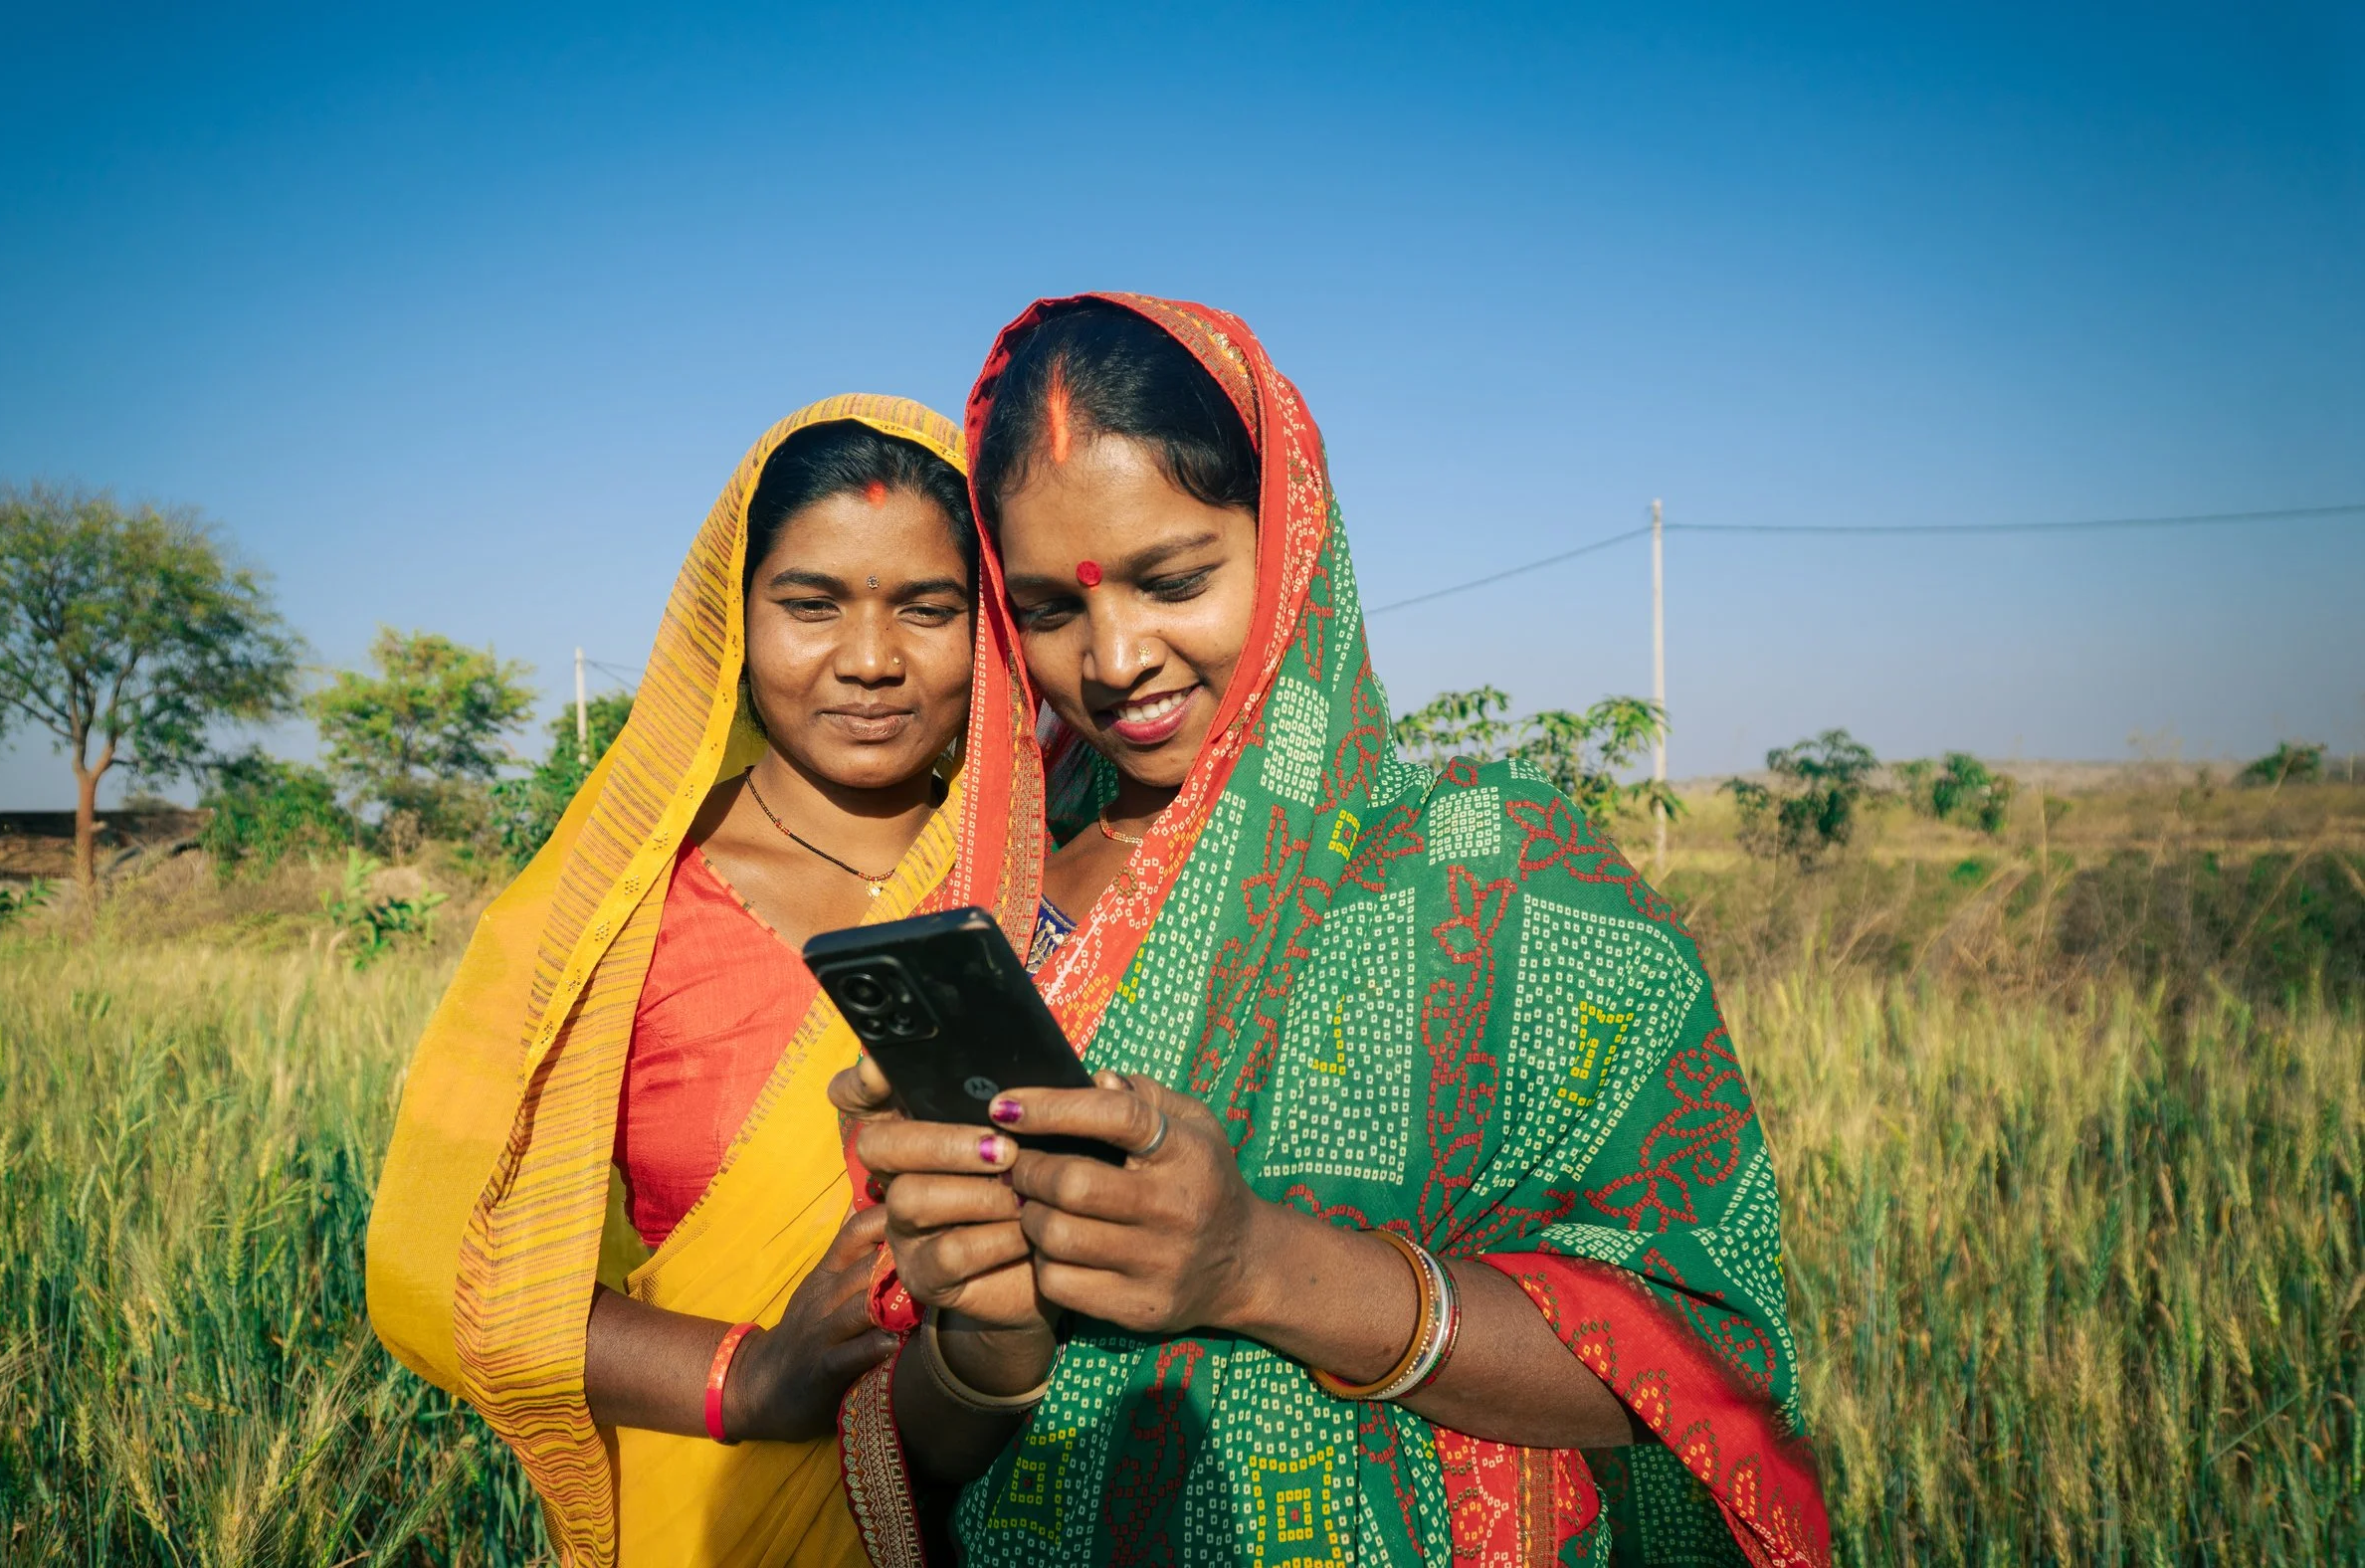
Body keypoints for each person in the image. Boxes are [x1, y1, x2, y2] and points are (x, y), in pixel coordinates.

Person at [837, 298, 1832, 1566]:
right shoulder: (978, 906)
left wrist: (1253, 1265)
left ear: (1293, 537)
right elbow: (920, 1414)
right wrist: (978, 1327)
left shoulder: (1504, 883)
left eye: (1175, 578)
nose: (1115, 654)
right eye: (1045, 608)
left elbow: (1701, 1354)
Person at [367, 396, 1031, 1568]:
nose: (870, 660)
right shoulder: (608, 913)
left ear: (989, 629)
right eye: (811, 603)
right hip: (721, 1518)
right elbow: (449, 1281)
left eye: (928, 609)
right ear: (731, 620)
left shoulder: (1047, 872)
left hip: (1036, 1505)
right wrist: (749, 1378)